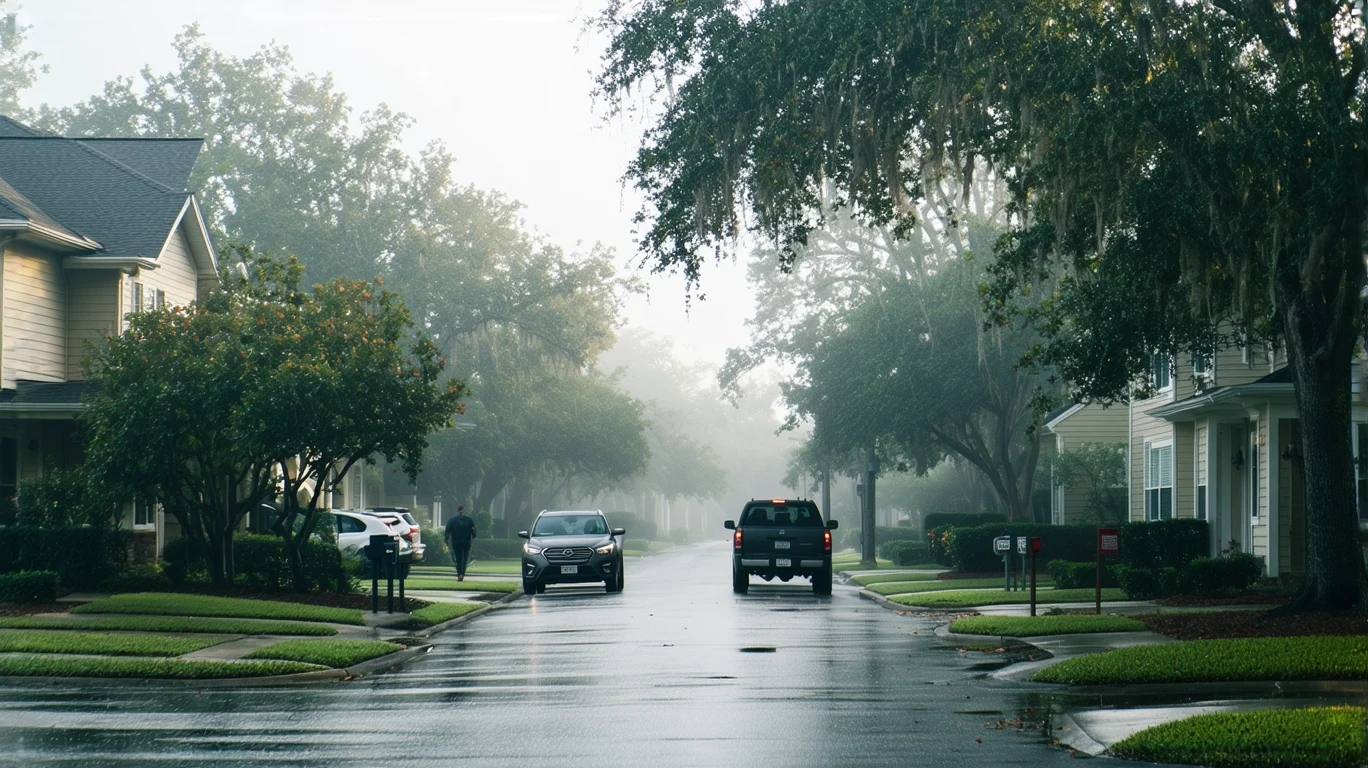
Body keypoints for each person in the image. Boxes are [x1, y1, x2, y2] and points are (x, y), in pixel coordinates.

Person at [444, 505, 477, 581]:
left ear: (457, 511)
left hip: (456, 542)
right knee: (465, 559)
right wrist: (473, 536)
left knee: (458, 558)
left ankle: (459, 574)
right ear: (463, 510)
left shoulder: (452, 520)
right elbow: (474, 531)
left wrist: (447, 539)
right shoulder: (469, 520)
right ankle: (462, 573)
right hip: (466, 541)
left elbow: (447, 531)